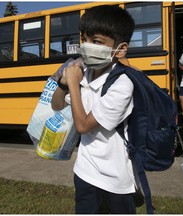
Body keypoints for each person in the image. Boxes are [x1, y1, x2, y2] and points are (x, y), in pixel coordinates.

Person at [51, 5, 137, 213]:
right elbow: (57, 106)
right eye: (84, 39)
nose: (87, 46)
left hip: (116, 180)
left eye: (96, 41)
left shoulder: (122, 84)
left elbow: (82, 126)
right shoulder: (85, 73)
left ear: (120, 49)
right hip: (84, 172)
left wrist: (73, 83)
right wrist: (63, 84)